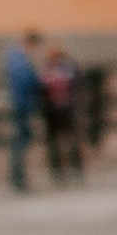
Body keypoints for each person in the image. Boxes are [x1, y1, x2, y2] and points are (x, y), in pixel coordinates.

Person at [2, 33, 43, 194]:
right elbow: (26, 81)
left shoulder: (16, 58)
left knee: (21, 141)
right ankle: (18, 178)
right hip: (23, 105)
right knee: (20, 141)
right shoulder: (20, 59)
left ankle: (19, 177)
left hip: (21, 104)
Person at [40, 44, 83, 182]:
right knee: (55, 142)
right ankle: (58, 171)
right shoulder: (48, 71)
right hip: (54, 112)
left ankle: (74, 169)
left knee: (70, 140)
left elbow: (77, 87)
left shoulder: (67, 70)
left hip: (65, 110)